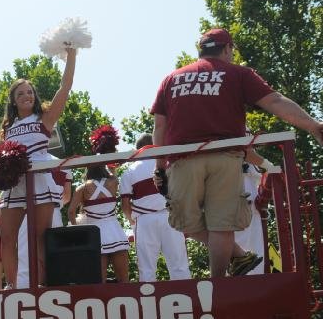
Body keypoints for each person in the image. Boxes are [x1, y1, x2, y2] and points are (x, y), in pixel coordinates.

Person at [151, 27, 323, 278]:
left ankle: (238, 259)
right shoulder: (239, 74)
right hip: (225, 156)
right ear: (228, 48)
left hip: (183, 158)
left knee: (184, 223)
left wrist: (159, 166)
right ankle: (223, 280)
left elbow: (159, 127)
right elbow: (275, 102)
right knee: (223, 224)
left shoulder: (171, 78)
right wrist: (314, 126)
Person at [0, 47, 78, 288]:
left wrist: (71, 56)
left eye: (30, 92)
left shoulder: (44, 119)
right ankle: (12, 286)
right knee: (7, 238)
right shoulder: (6, 128)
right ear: (13, 99)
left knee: (40, 238)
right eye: (21, 93)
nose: (27, 95)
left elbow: (64, 88)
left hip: (39, 183)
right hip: (14, 186)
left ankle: (42, 286)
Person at [119, 133, 190, 282]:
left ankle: (148, 303)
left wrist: (133, 223)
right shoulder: (167, 163)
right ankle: (187, 300)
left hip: (144, 221)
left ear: (138, 150)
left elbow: (125, 206)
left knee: (146, 269)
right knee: (179, 265)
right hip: (170, 216)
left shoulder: (128, 171)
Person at [68, 164, 130, 282]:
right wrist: (110, 168)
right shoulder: (113, 181)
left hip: (95, 237)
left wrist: (78, 232)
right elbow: (113, 173)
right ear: (103, 169)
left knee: (98, 281)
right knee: (124, 280)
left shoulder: (82, 188)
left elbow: (71, 212)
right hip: (116, 234)